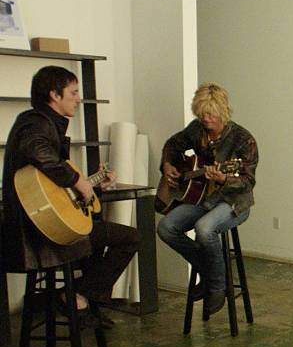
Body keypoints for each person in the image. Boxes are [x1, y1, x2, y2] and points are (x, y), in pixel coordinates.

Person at [2, 66, 140, 327]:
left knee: (96, 232)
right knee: (131, 237)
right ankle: (77, 298)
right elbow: (37, 149)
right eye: (74, 92)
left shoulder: (42, 123)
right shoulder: (35, 123)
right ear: (54, 94)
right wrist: (78, 180)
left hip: (42, 229)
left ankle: (84, 303)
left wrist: (94, 185)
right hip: (39, 236)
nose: (78, 98)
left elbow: (58, 190)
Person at [157, 82, 258, 316]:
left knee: (204, 228)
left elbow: (247, 181)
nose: (205, 119)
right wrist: (167, 164)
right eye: (201, 113)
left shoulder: (244, 140)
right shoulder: (196, 130)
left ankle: (217, 286)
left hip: (235, 203)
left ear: (222, 111)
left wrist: (223, 178)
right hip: (204, 198)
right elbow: (173, 144)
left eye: (210, 114)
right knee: (166, 227)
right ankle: (212, 269)